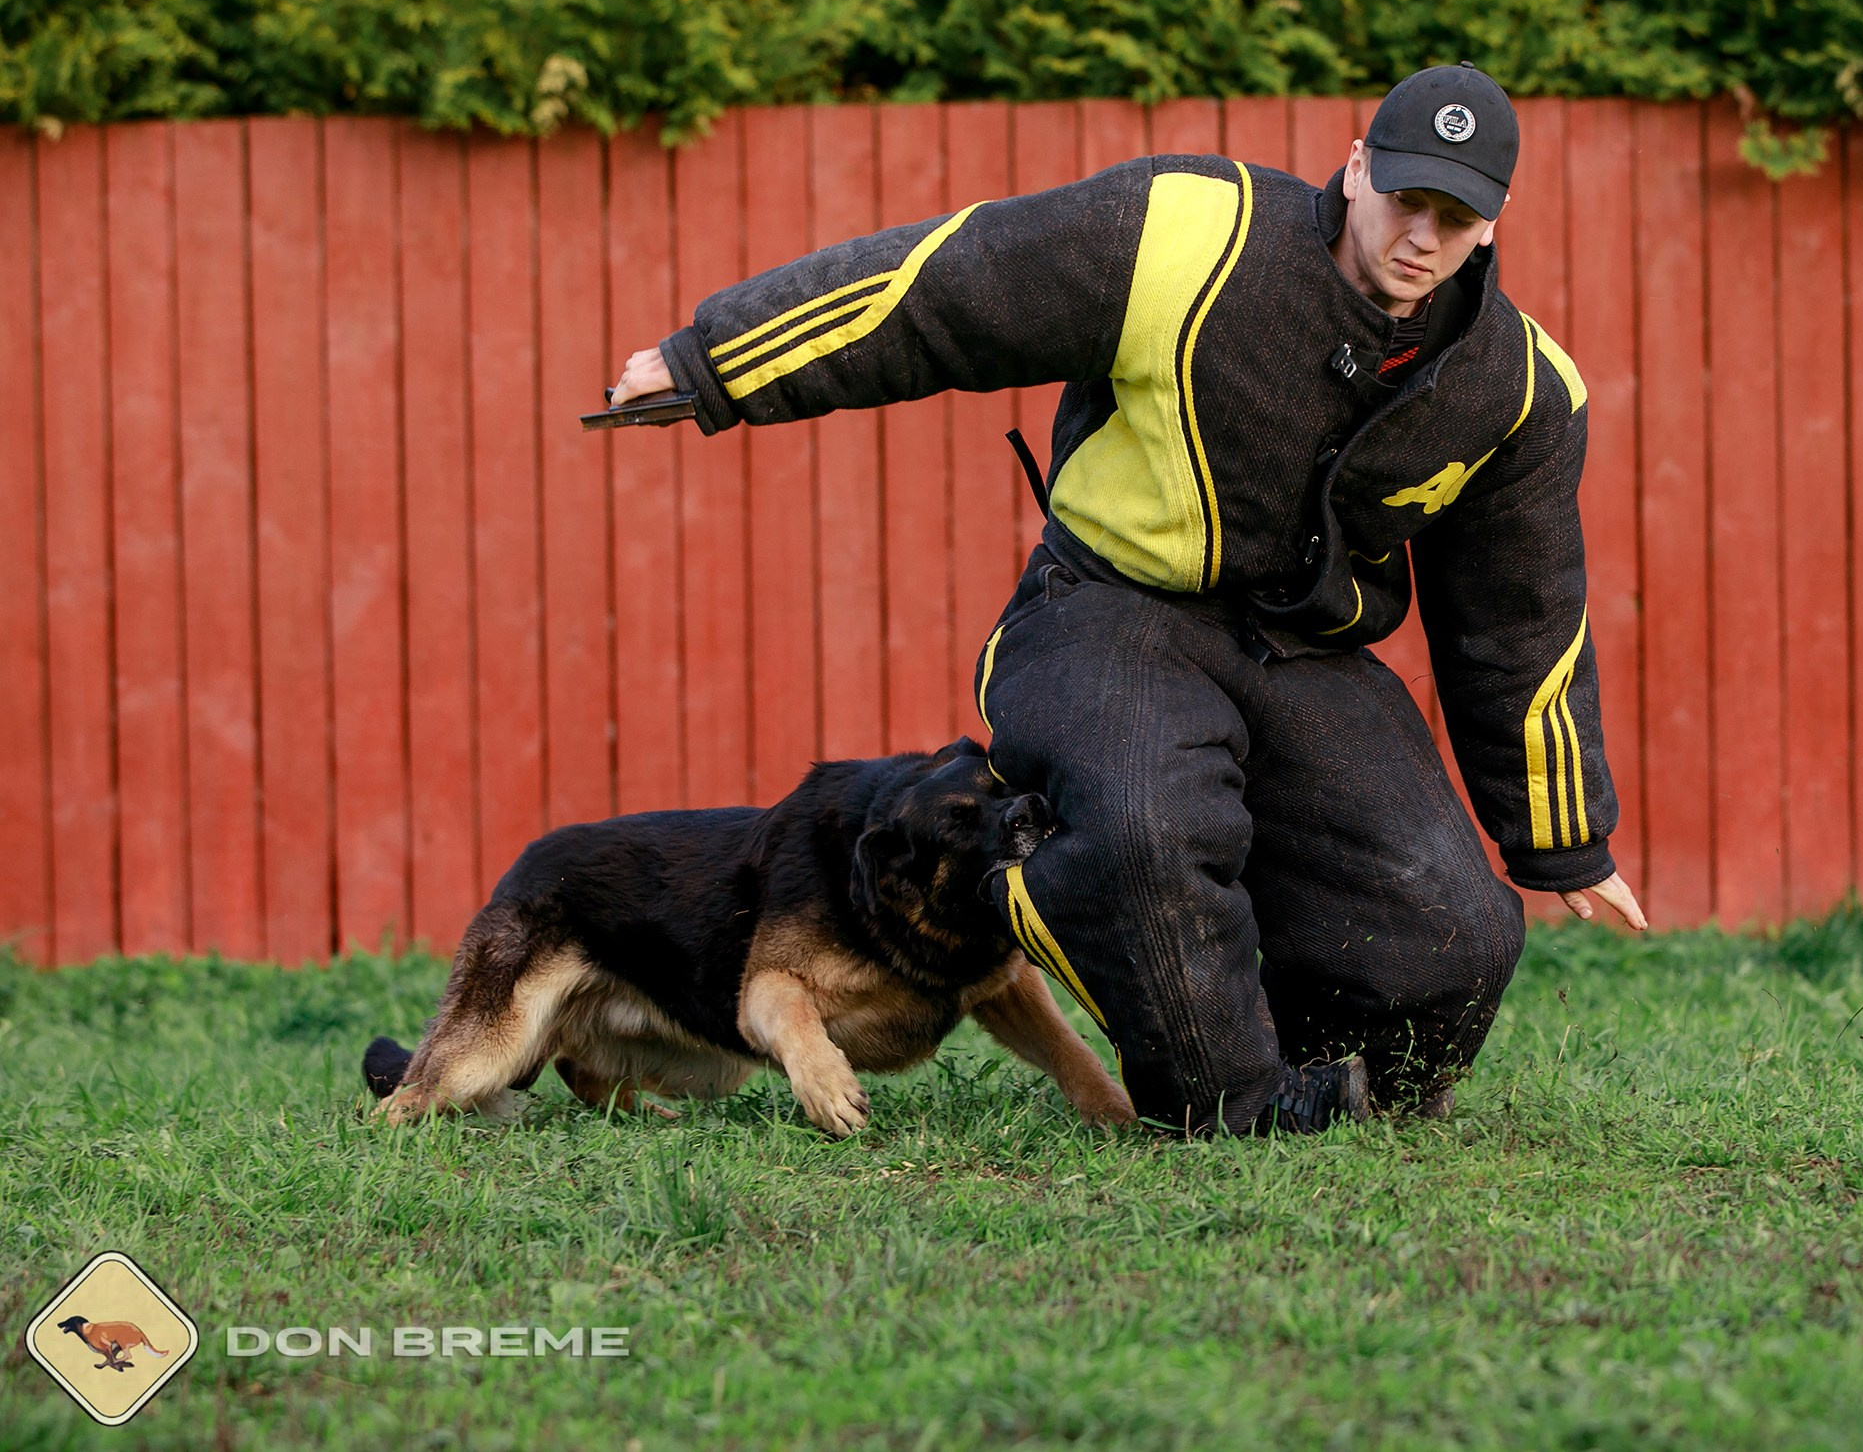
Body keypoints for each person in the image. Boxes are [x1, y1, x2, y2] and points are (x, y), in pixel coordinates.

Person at [610, 65, 1646, 1135]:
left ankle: (1327, 1086)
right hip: (1103, 614)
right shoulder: (1186, 234)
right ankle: (1189, 1055)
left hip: (1302, 652)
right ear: (1355, 166)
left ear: (1493, 222)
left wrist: (1564, 841)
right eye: (1404, 202)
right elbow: (948, 287)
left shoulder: (1519, 389)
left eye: (1455, 218)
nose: (1420, 238)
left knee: (1459, 938)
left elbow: (1517, 620)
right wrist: (716, 361)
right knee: (1148, 829)